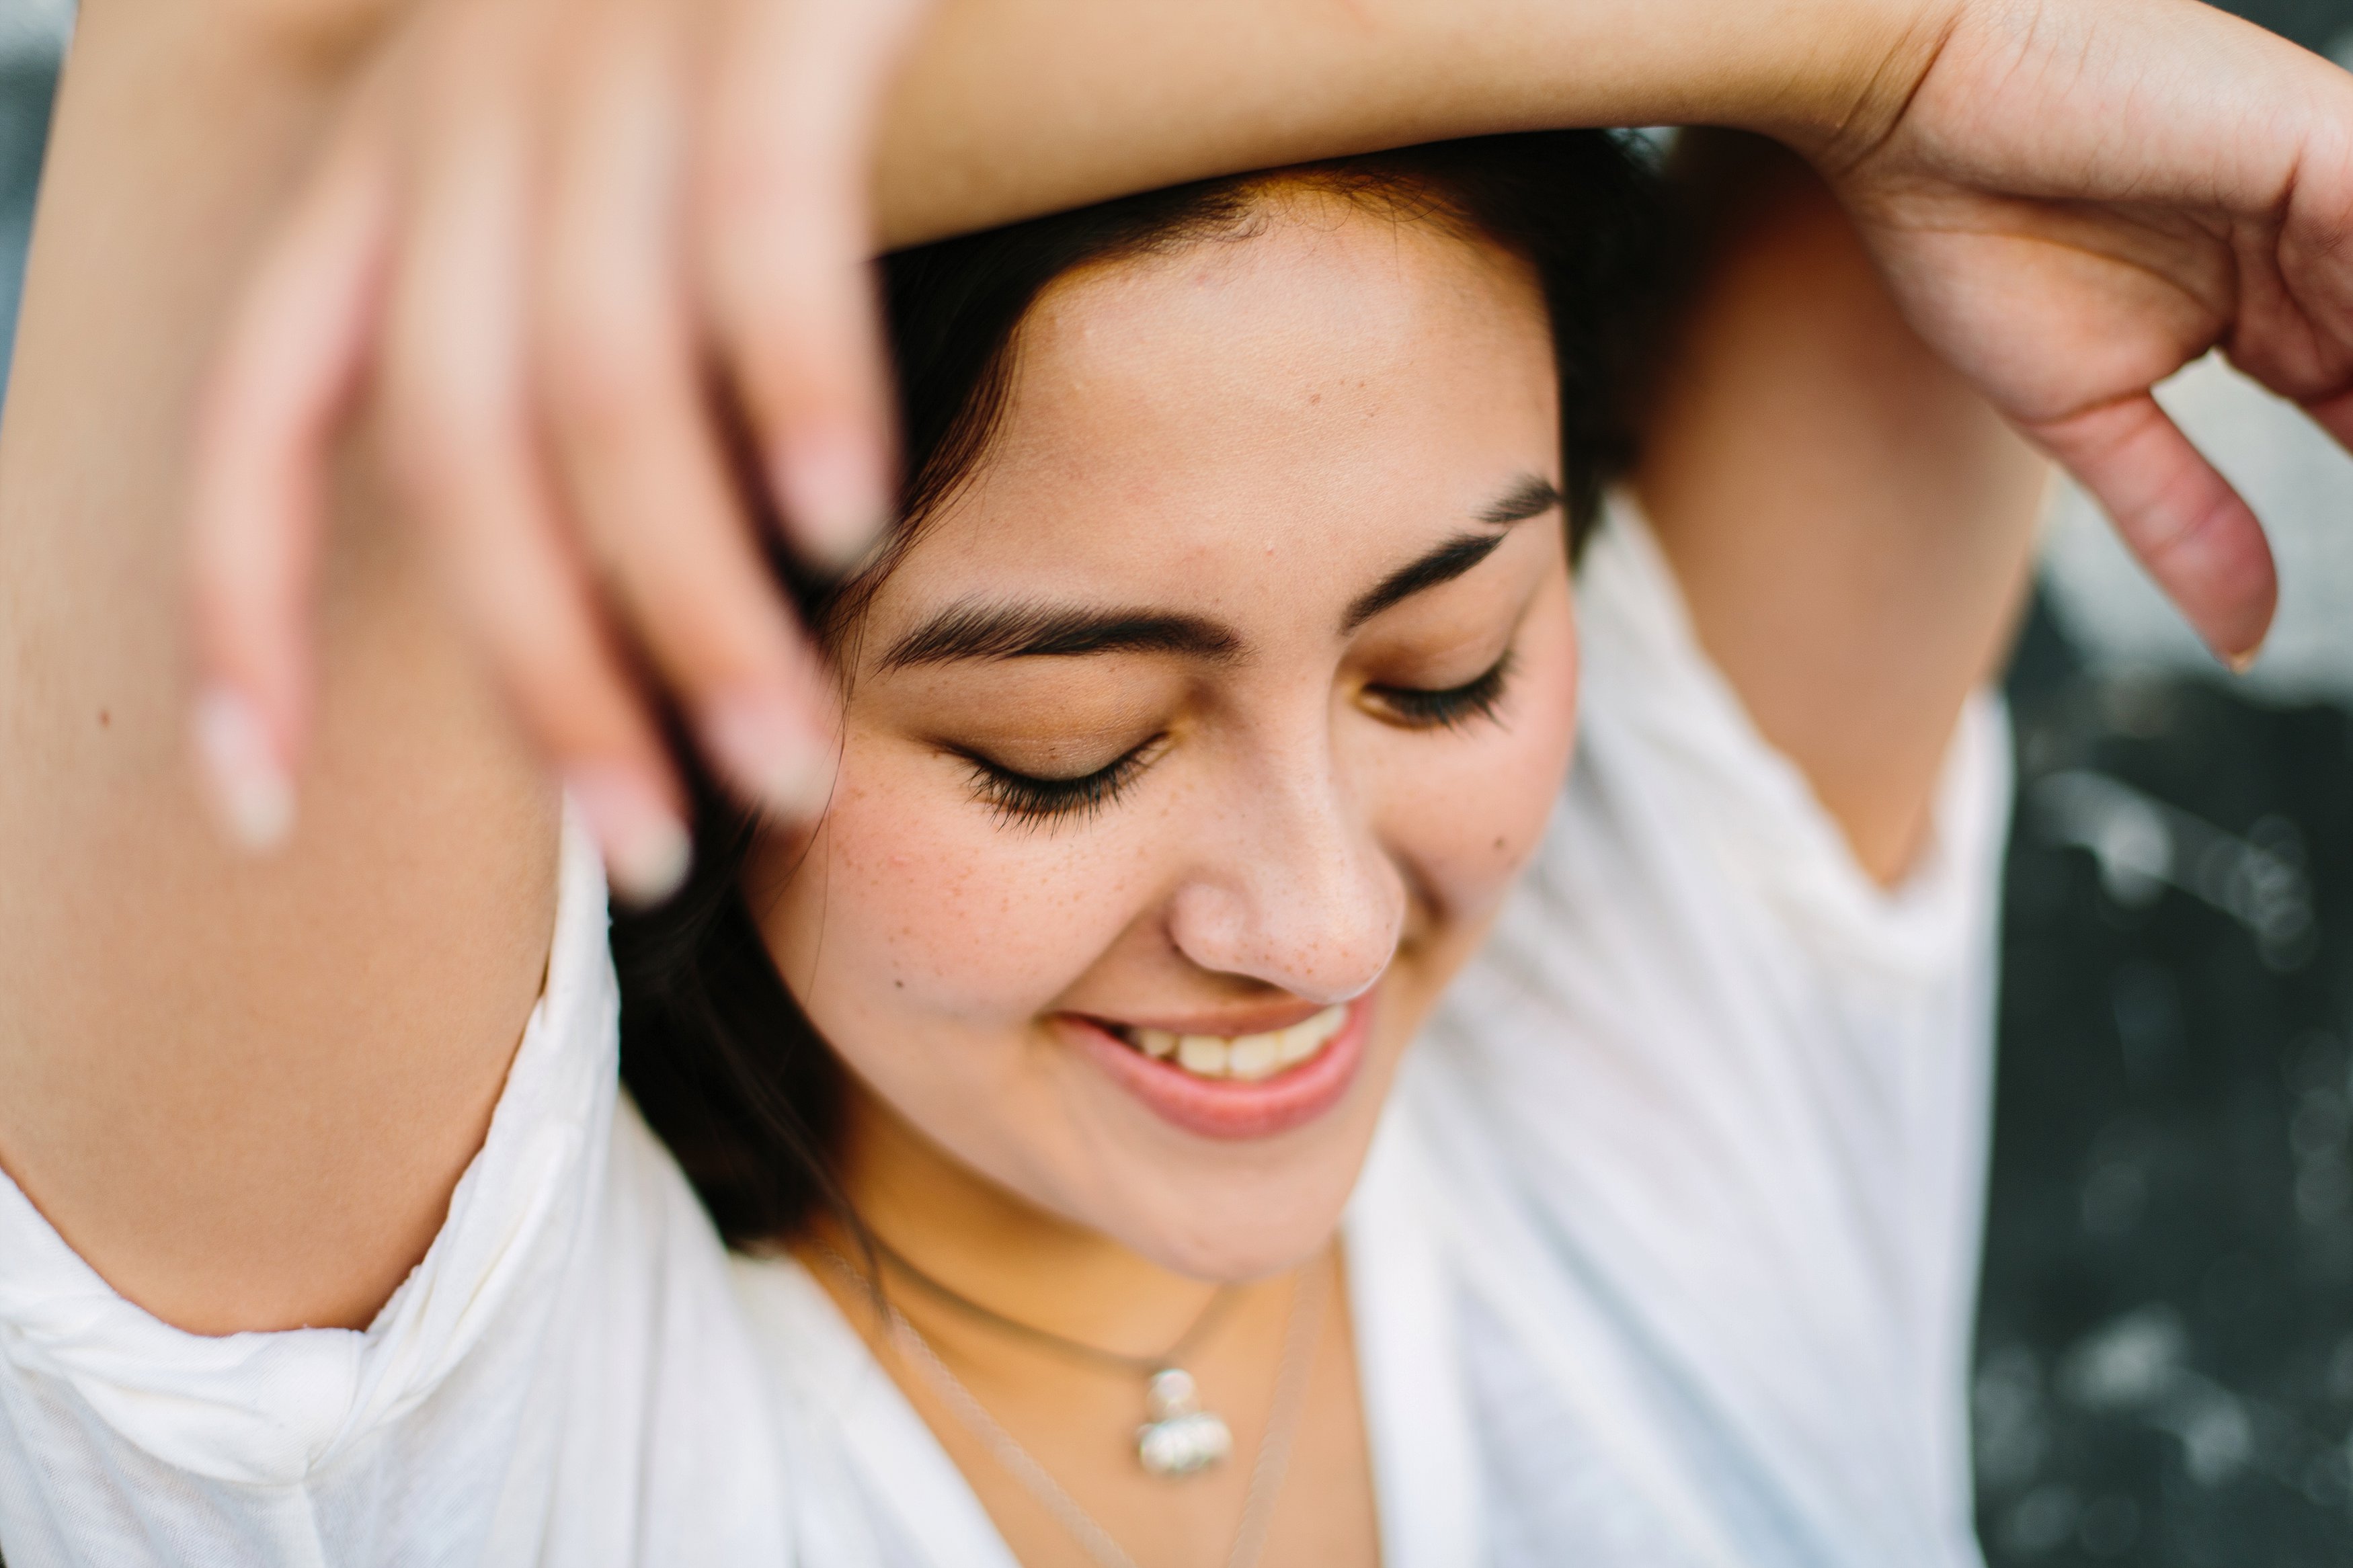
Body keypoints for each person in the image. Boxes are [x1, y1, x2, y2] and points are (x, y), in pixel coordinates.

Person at [0, 0, 2347, 1563]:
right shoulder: (444, 1451)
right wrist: (1884, 41)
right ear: (630, 664)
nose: (1319, 928)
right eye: (1064, 750)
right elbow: (312, 95)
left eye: (1440, 672)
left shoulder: (1653, 977)